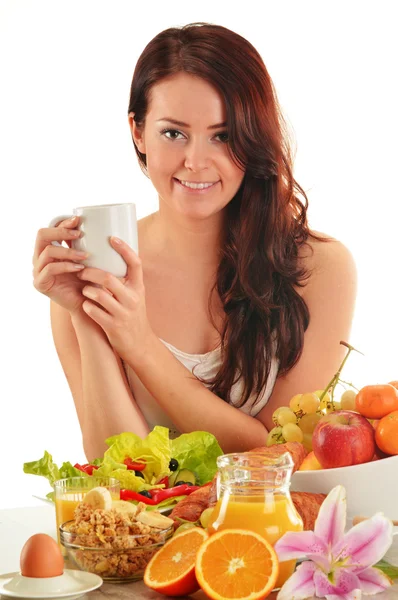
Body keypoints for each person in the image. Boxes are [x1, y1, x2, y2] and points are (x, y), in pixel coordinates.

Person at [32, 23, 357, 461]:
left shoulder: (321, 268)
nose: (196, 161)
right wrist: (87, 321)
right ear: (137, 131)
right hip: (158, 532)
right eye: (173, 133)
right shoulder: (92, 276)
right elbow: (119, 471)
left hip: (269, 528)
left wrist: (141, 345)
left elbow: (281, 455)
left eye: (222, 136)